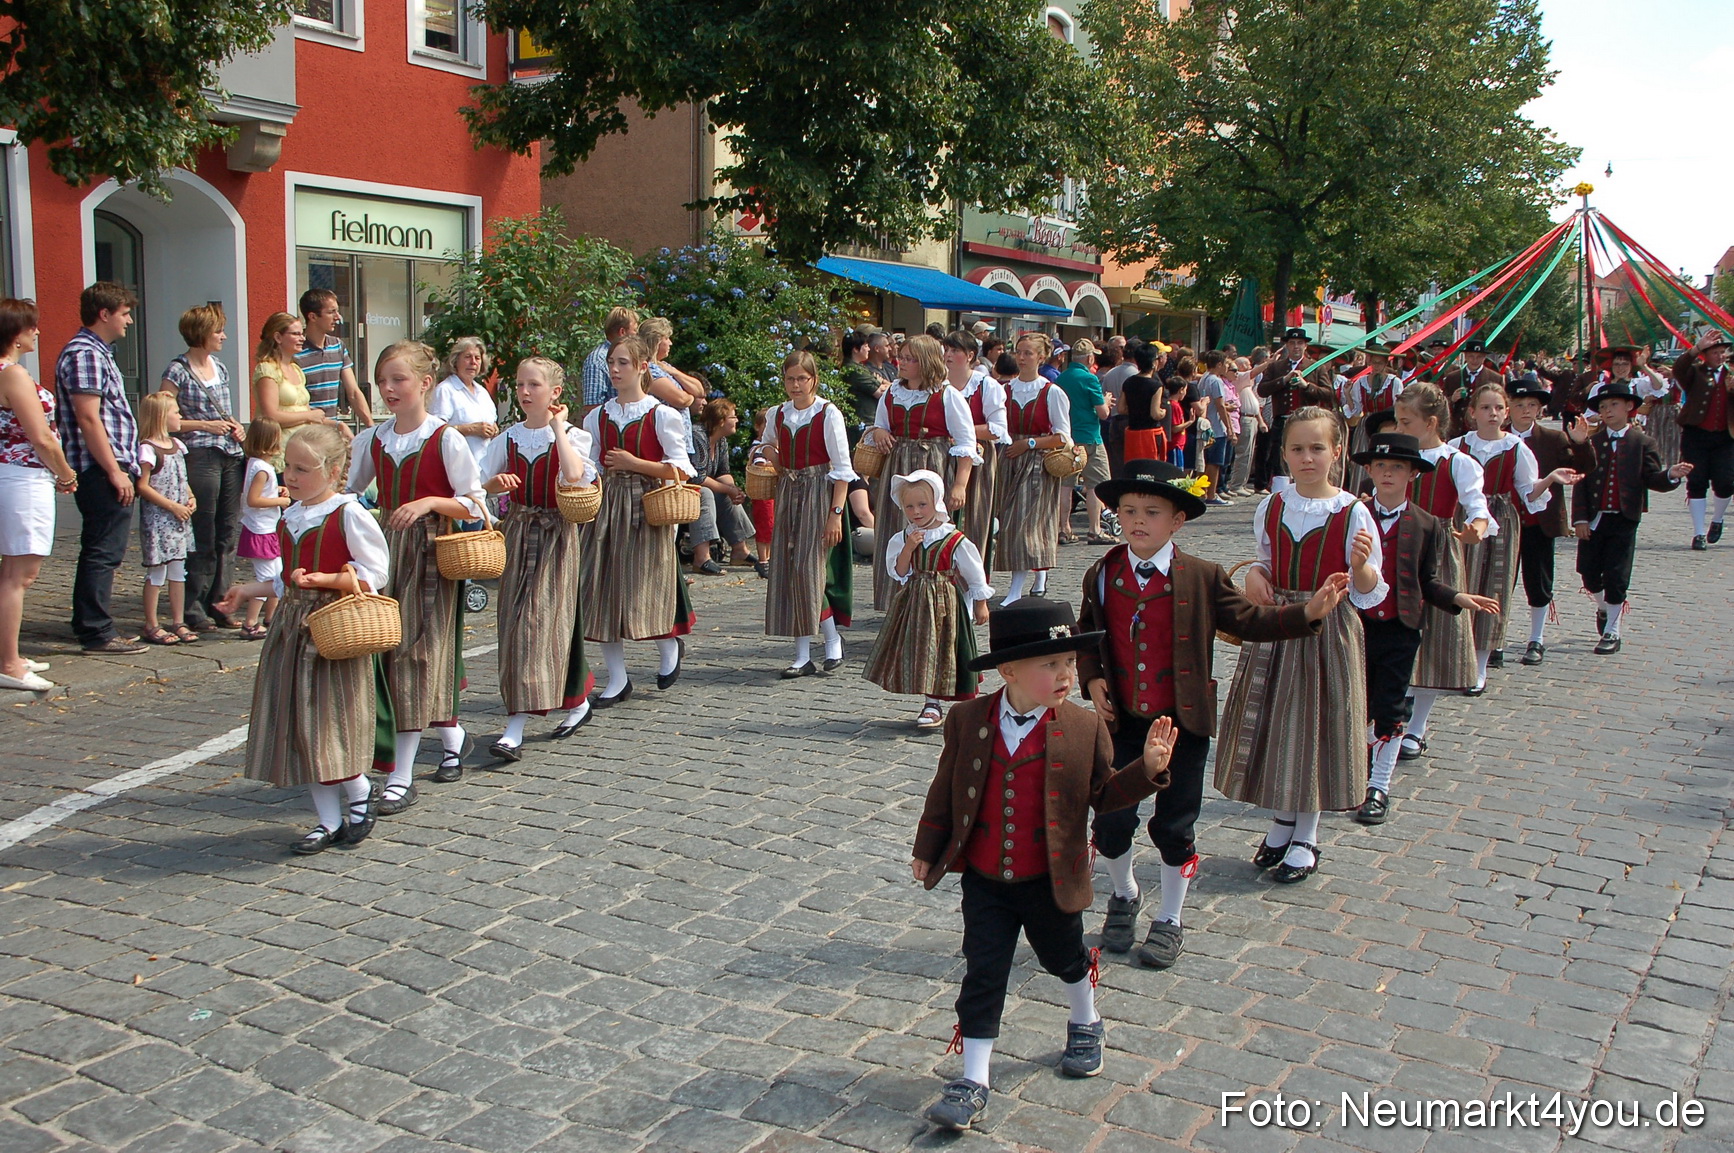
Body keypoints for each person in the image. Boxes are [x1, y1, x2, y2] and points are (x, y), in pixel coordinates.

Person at [912, 597, 1177, 1132]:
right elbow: (944, 790)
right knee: (984, 971)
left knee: (1064, 957)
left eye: (1070, 664)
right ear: (1008, 670)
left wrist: (1146, 771)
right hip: (986, 879)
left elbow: (1105, 794)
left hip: (1051, 877)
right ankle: (973, 1080)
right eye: (1050, 665)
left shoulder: (1082, 727)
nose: (1064, 675)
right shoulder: (967, 719)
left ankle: (1086, 1017)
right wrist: (927, 846)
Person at [1080, 460, 1339, 968]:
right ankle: (1124, 893)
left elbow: (1247, 618)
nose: (1138, 520)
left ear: (1177, 521)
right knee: (1111, 822)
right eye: (1129, 510)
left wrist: (1305, 615)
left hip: (1181, 724)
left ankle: (1171, 917)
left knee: (1175, 826)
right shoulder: (1104, 572)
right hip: (1122, 723)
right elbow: (1089, 633)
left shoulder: (1201, 576)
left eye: (1152, 512)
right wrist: (1092, 679)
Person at [1215, 406, 1386, 886]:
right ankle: (1283, 820)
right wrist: (1254, 574)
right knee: (1277, 720)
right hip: (1279, 623)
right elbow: (1265, 561)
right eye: (1297, 449)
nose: (1307, 458)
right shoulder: (1273, 505)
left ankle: (1306, 831)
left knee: (1314, 722)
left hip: (1328, 626)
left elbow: (1372, 589)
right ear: (1285, 453)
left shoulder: (1353, 511)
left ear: (1337, 452)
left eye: (1317, 448)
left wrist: (1364, 565)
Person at [216, 422, 387, 855]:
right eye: (286, 467)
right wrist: (247, 591)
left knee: (329, 722)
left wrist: (326, 579)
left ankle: (359, 789)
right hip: (291, 627)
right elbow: (282, 581)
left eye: (301, 469)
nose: (289, 477)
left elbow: (376, 572)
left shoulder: (347, 513)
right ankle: (328, 820)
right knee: (300, 723)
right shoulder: (289, 515)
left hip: (331, 631)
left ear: (332, 472)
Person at [347, 340, 488, 807]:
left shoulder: (444, 437)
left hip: (430, 555)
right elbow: (349, 493)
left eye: (398, 379)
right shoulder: (374, 438)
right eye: (382, 381)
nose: (387, 388)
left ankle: (400, 777)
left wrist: (429, 501)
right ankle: (451, 736)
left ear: (425, 383)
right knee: (387, 655)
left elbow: (473, 501)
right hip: (385, 554)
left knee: (416, 655)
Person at [1349, 433, 1499, 825]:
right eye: (1380, 466)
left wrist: (1457, 598)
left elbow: (1426, 579)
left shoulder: (1428, 524)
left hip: (1400, 627)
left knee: (1390, 706)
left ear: (1412, 474)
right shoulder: (1349, 514)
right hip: (1353, 626)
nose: (1387, 473)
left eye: (1397, 467)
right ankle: (1349, 773)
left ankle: (1379, 786)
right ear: (1368, 470)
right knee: (1352, 704)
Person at [478, 357, 597, 760]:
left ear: (554, 394)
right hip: (517, 534)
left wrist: (558, 427)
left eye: (534, 385)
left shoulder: (573, 436)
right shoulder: (508, 439)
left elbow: (575, 475)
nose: (525, 392)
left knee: (538, 622)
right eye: (520, 385)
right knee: (516, 623)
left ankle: (515, 726)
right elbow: (476, 486)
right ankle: (576, 699)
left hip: (556, 536)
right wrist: (491, 485)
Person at [581, 335, 698, 703]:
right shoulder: (596, 416)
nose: (615, 370)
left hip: (648, 506)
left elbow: (682, 468)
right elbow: (590, 465)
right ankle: (617, 678)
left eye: (623, 364)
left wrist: (635, 464)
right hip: (607, 505)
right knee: (603, 589)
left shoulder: (661, 414)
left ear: (643, 367)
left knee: (643, 586)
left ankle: (667, 644)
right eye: (612, 364)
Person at [1390, 384, 1489, 762]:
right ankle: (1391, 713)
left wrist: (1477, 525)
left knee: (1430, 636)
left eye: (1406, 422)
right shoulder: (1397, 457)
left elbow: (1475, 502)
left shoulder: (1457, 462)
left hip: (1436, 552)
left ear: (1431, 423)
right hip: (1395, 545)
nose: (1399, 428)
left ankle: (1417, 727)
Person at [864, 470, 992, 729]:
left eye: (922, 505)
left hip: (946, 601)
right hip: (915, 601)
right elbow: (899, 573)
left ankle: (957, 699)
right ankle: (931, 702)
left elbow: (974, 572)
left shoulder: (954, 539)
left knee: (947, 649)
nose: (916, 512)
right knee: (923, 650)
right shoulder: (903, 538)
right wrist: (909, 548)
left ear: (936, 502)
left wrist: (980, 602)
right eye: (909, 506)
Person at [1573, 379, 1692, 655]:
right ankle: (1603, 608)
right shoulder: (1593, 442)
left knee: (1617, 575)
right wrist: (1579, 518)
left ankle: (1613, 630)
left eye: (1614, 404)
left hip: (1625, 519)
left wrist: (1670, 476)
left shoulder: (1642, 442)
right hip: (1595, 518)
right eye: (1603, 406)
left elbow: (1652, 478)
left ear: (1629, 407)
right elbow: (1582, 481)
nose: (1609, 410)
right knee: (1588, 573)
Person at [58, 282, 146, 654]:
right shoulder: (86, 354)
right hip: (98, 466)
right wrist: (113, 470)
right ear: (104, 313)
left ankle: (93, 623)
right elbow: (88, 418)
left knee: (105, 548)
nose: (128, 321)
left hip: (108, 463)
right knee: (102, 549)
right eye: (124, 313)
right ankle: (95, 630)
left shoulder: (100, 352)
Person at [1452, 383, 1558, 688]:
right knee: (1460, 581)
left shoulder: (1515, 448)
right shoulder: (1458, 445)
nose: (1492, 414)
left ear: (1506, 412)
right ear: (1472, 413)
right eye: (1485, 408)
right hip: (1463, 517)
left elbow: (1528, 491)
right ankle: (1459, 657)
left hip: (1501, 518)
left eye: (1498, 408)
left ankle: (1481, 665)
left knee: (1492, 585)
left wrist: (1549, 479)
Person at [758, 350, 856, 676]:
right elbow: (768, 446)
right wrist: (768, 454)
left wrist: (835, 513)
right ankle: (802, 654)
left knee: (808, 570)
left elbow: (842, 469)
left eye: (802, 378)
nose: (796, 385)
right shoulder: (778, 414)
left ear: (814, 379)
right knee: (788, 570)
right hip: (788, 491)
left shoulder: (828, 414)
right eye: (790, 378)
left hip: (818, 491)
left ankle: (830, 640)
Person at [864, 335, 977, 612]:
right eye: (901, 357)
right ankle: (896, 602)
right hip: (897, 466)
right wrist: (878, 431)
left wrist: (960, 485)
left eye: (910, 359)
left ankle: (942, 599)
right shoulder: (891, 393)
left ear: (926, 363)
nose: (902, 362)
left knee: (934, 532)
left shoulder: (947, 395)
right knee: (895, 531)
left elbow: (966, 443)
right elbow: (879, 425)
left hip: (933, 465)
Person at [0, 299, 78, 692]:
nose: (37, 332)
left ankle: (7, 654)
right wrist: (64, 473)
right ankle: (9, 664)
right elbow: (42, 437)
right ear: (16, 332)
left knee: (11, 571)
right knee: (20, 574)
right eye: (31, 326)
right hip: (23, 478)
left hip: (12, 476)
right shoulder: (11, 373)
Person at [160, 303, 245, 631]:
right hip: (200, 455)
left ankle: (221, 601)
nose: (223, 336)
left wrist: (235, 427)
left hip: (228, 454)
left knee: (228, 530)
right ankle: (194, 606)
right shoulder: (177, 371)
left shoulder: (220, 367)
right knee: (203, 530)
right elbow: (164, 418)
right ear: (201, 334)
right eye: (217, 330)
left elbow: (225, 411)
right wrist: (204, 426)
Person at [1506, 374, 1594, 665]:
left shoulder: (1553, 439)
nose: (1526, 410)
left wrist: (1580, 444)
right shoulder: (1497, 438)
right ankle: (1493, 640)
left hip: (1537, 523)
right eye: (1519, 404)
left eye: (1532, 404)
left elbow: (1580, 469)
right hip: (1503, 523)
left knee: (1538, 580)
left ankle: (1536, 637)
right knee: (1500, 581)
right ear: (1509, 407)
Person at [996, 333, 1071, 604]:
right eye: (1019, 352)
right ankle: (1040, 574)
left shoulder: (1052, 392)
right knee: (1012, 522)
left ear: (1041, 357)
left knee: (1025, 523)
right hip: (1008, 460)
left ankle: (1017, 588)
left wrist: (1028, 443)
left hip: (1038, 463)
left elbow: (1063, 436)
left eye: (1028, 353)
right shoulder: (1005, 390)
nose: (1022, 357)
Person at [134, 393, 197, 646]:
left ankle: (178, 619)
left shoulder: (178, 446)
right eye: (176, 412)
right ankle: (152, 623)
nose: (180, 416)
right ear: (162, 416)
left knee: (178, 570)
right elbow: (144, 486)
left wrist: (190, 497)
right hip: (160, 520)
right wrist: (172, 505)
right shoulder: (148, 449)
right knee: (157, 572)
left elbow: (183, 479)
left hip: (179, 519)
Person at [942, 331, 1007, 573]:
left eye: (954, 350)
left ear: (970, 355)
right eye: (946, 350)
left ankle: (973, 583)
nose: (948, 355)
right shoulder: (939, 384)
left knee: (975, 519)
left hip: (979, 459)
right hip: (944, 457)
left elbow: (998, 429)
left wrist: (962, 431)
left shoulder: (986, 385)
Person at [1670, 330, 1733, 550]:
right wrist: (1695, 348)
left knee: (1726, 482)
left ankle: (1717, 519)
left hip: (1725, 436)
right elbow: (1678, 369)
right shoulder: (1695, 372)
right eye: (1715, 352)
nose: (1720, 356)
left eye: (1722, 352)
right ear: (1705, 355)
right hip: (1696, 434)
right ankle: (1698, 533)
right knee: (1696, 482)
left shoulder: (1731, 374)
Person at [691, 398, 763, 576]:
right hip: (688, 490)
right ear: (721, 420)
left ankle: (740, 550)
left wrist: (733, 490)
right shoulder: (698, 436)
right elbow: (697, 477)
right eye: (733, 416)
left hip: (704, 485)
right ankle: (701, 558)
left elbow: (723, 471)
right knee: (706, 493)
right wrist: (727, 490)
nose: (737, 420)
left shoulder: (721, 440)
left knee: (727, 493)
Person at [1056, 339, 1113, 543]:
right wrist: (1106, 401)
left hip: (1067, 439)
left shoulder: (1061, 378)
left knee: (1065, 486)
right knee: (1096, 484)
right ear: (1090, 358)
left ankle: (1063, 528)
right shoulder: (1090, 379)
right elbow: (1103, 413)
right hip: (1090, 437)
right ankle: (1094, 529)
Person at [236, 419, 289, 639]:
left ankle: (271, 618)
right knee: (267, 580)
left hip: (267, 528)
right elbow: (253, 499)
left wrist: (277, 490)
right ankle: (250, 623)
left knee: (277, 575)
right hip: (261, 529)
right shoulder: (262, 469)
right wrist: (279, 502)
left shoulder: (256, 464)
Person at [295, 289, 374, 427]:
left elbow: (354, 393)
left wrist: (371, 427)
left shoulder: (337, 346)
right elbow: (297, 404)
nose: (338, 317)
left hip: (333, 431)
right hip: (306, 432)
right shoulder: (296, 353)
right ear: (312, 317)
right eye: (331, 312)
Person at [1341, 342, 1405, 495]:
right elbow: (1355, 410)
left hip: (1388, 425)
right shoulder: (1361, 382)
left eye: (1380, 363)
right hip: (1367, 426)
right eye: (1374, 362)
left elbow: (1400, 406)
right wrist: (1348, 394)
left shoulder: (1394, 382)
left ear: (1385, 363)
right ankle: (1359, 493)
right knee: (1362, 462)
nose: (1376, 366)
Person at [429, 337, 499, 472]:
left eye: (477, 358)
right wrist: (470, 429)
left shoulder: (482, 392)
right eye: (467, 357)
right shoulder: (446, 390)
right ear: (456, 361)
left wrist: (494, 429)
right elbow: (434, 433)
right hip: (457, 471)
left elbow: (492, 422)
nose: (473, 362)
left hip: (484, 469)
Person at [251, 313, 330, 432]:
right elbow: (270, 416)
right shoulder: (267, 370)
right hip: (277, 445)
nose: (302, 338)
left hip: (300, 441)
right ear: (278, 337)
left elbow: (306, 413)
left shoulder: (296, 369)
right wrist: (309, 415)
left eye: (302, 333)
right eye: (295, 334)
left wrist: (338, 425)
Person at [581, 307, 639, 412]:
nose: (637, 335)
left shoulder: (632, 356)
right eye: (634, 330)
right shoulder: (597, 361)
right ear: (622, 332)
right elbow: (592, 407)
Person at [1120, 344, 1167, 465]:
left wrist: (1135, 409)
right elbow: (1155, 413)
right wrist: (1163, 412)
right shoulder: (1156, 385)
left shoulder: (1128, 382)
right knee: (1150, 468)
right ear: (1153, 362)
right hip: (1150, 434)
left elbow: (1121, 408)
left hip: (1132, 432)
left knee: (1133, 467)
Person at [1196, 350, 1233, 502]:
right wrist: (1229, 428)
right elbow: (1220, 405)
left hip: (1205, 426)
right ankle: (1211, 494)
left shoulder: (1204, 378)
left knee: (1205, 461)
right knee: (1215, 463)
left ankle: (1204, 492)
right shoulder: (1216, 381)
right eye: (1225, 364)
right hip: (1216, 428)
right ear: (1219, 364)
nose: (1226, 367)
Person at [1226, 356, 1264, 496]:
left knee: (1248, 454)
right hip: (1245, 418)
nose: (1250, 367)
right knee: (1243, 453)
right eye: (1247, 365)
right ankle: (1236, 484)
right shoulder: (1240, 377)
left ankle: (1241, 483)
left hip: (1251, 418)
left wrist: (1260, 421)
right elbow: (1255, 372)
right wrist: (1270, 362)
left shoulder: (1245, 382)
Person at [839, 331, 884, 438]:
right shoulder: (853, 370)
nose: (869, 349)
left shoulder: (860, 367)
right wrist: (879, 383)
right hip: (863, 422)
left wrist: (881, 383)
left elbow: (882, 384)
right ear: (855, 349)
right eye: (866, 346)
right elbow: (880, 392)